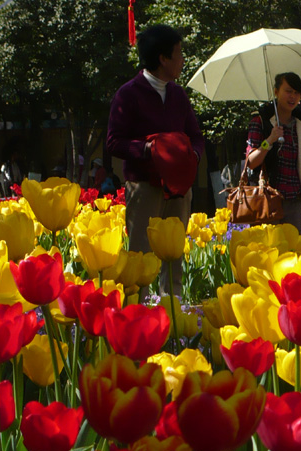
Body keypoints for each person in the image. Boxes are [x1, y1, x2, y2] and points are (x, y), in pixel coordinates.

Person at [107, 24, 204, 297]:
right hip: (145, 187)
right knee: (141, 256)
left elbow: (196, 136)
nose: (183, 60)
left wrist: (191, 156)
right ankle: (138, 318)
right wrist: (150, 149)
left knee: (173, 256)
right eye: (179, 54)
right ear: (163, 58)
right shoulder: (128, 94)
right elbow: (114, 142)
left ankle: (170, 314)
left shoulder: (178, 95)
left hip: (179, 188)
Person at [245, 73, 301, 232]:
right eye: (288, 91)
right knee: (268, 252)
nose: (292, 97)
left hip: (294, 202)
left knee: (294, 253)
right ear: (276, 91)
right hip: (267, 201)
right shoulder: (261, 121)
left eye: (296, 93)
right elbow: (251, 162)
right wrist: (270, 140)